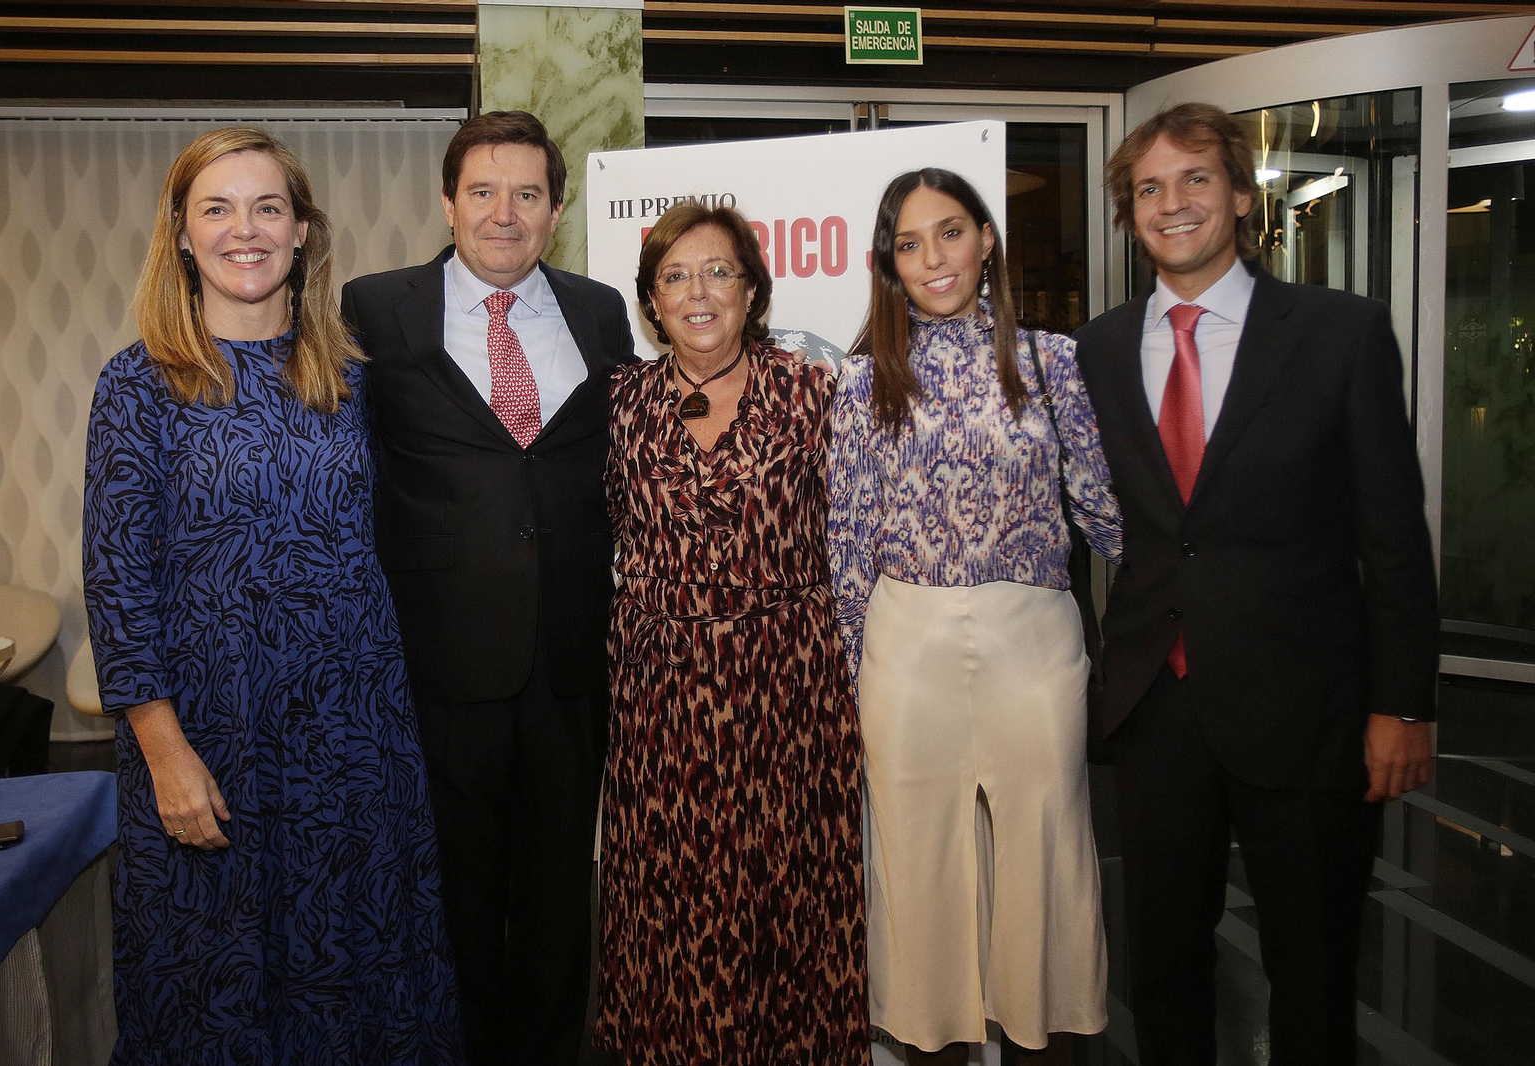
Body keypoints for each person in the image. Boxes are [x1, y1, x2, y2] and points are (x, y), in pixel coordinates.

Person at [83, 126, 462, 1065]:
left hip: (354, 743)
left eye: (267, 208)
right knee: (213, 985)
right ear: (180, 233)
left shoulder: (351, 381)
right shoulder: (139, 387)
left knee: (363, 976)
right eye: (216, 208)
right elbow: (117, 585)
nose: (242, 230)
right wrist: (165, 754)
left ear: (302, 233)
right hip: (213, 743)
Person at [1074, 102, 1439, 1066]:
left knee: (1312, 971)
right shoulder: (1096, 352)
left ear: (1241, 194)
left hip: (1307, 707)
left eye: (1195, 178)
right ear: (1130, 215)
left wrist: (1403, 703)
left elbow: (1393, 537)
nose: (1173, 202)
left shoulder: (1340, 333)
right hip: (1159, 710)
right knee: (1161, 969)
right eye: (1148, 188)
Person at [339, 111, 635, 1064]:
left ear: (557, 208)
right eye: (483, 191)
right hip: (440, 662)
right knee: (455, 896)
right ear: (447, 200)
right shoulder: (376, 309)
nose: (504, 213)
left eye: (527, 194)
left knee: (557, 897)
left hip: (570, 660)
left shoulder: (599, 312)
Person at [828, 168, 1121, 1065]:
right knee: (917, 864)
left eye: (949, 233)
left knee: (1047, 848)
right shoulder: (861, 377)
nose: (934, 259)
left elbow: (1104, 511)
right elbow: (846, 538)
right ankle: (927, 1039)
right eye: (909, 245)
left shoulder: (1051, 360)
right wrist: (844, 676)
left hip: (1033, 638)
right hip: (904, 643)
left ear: (986, 238)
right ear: (890, 265)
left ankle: (1048, 1035)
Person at [594, 201, 870, 1065]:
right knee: (672, 906)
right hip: (661, 697)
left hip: (788, 689)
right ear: (651, 304)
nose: (697, 291)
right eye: (674, 277)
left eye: (717, 271)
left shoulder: (815, 391)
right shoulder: (617, 403)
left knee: (788, 900)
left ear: (752, 290)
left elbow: (861, 531)